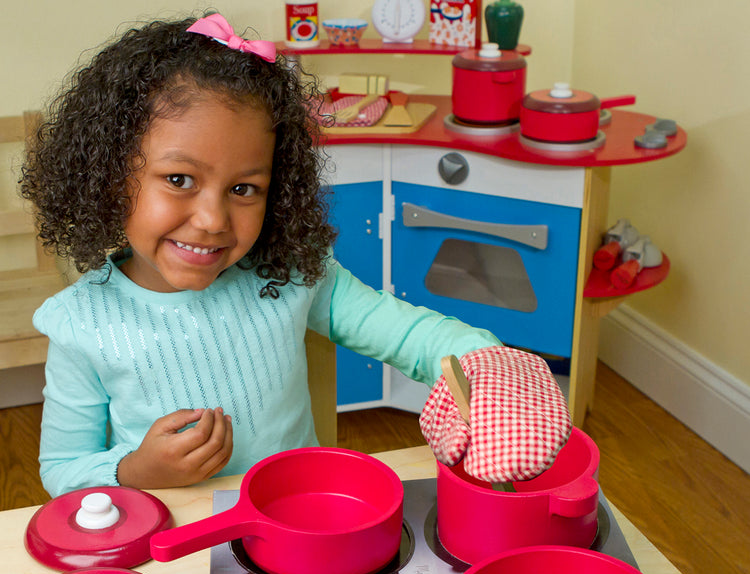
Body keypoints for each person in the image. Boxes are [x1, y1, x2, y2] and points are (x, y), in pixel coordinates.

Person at [23, 13, 570, 499]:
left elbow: (411, 336)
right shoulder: (79, 324)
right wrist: (137, 470)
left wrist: (487, 365)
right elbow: (62, 469)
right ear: (111, 177)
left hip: (296, 519)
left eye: (244, 189)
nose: (213, 219)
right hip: (170, 542)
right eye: (180, 179)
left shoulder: (289, 277)